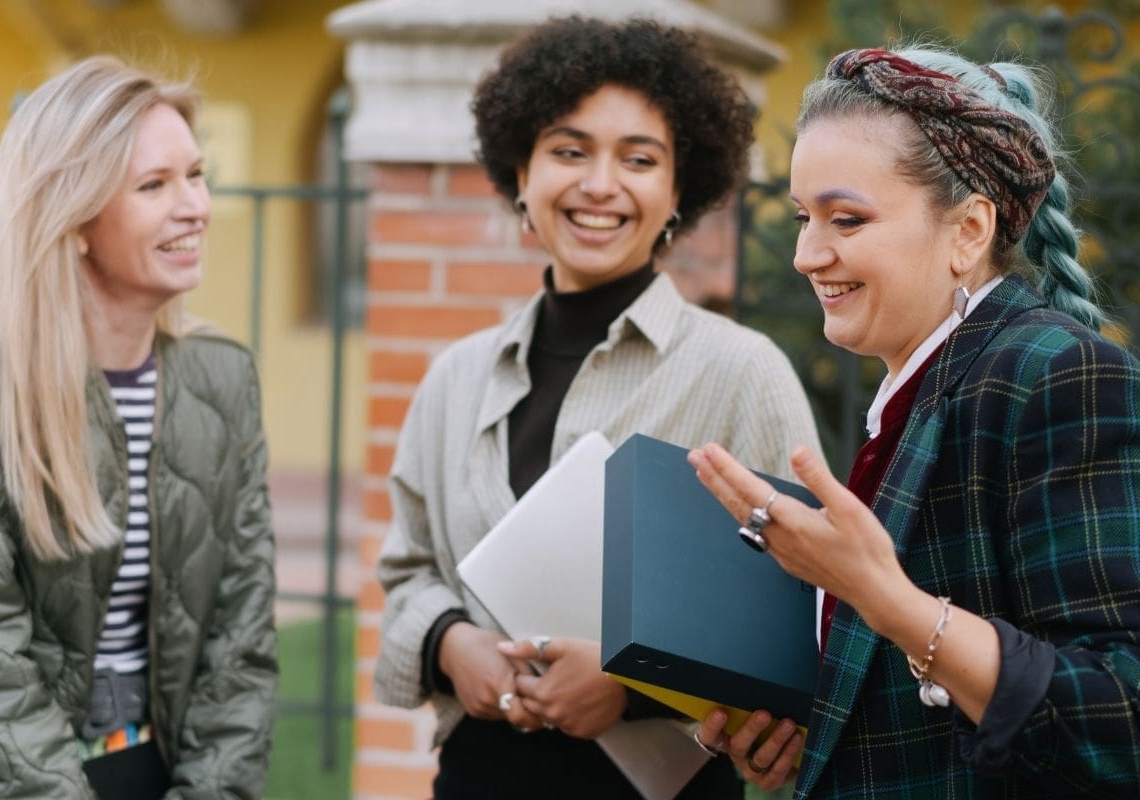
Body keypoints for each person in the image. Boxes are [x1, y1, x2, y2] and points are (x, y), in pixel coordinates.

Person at [372, 15, 821, 800]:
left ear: (679, 189)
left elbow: (794, 612)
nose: (600, 185)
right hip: (479, 778)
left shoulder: (741, 372)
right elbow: (408, 569)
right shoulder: (455, 378)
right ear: (522, 172)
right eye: (569, 151)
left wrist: (630, 685)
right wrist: (449, 643)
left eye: (638, 159)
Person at [689, 46, 1140, 798]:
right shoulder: (918, 391)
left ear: (968, 231)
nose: (806, 254)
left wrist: (885, 598)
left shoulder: (1055, 375)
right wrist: (814, 732)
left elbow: (1120, 714)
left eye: (846, 219)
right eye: (803, 218)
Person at [0, 57, 277, 799]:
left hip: (159, 770)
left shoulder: (222, 381)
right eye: (154, 185)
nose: (194, 206)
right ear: (75, 219)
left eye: (196, 175)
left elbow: (240, 642)